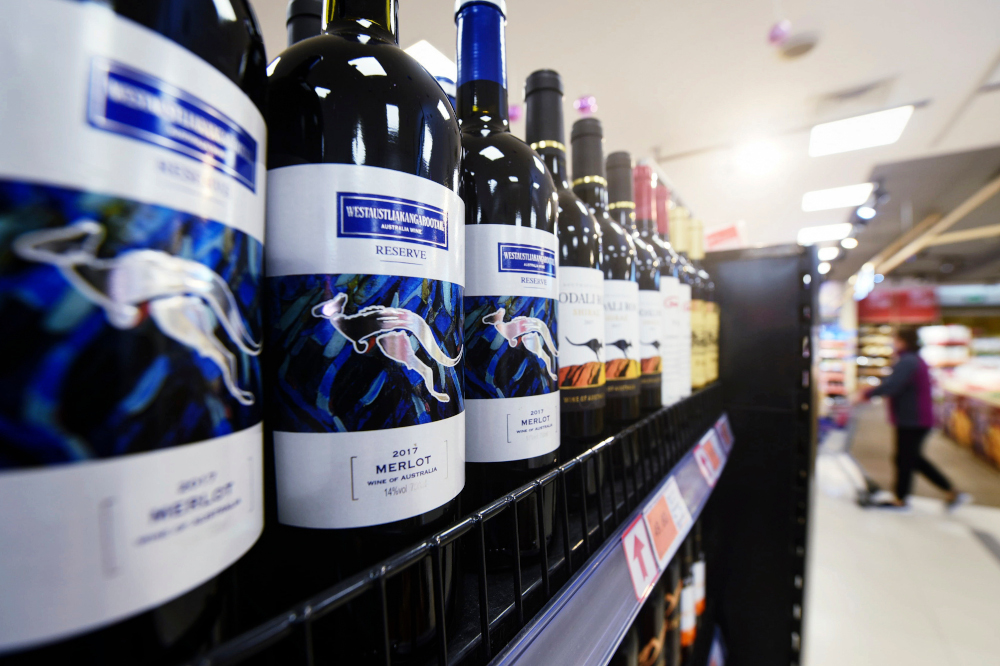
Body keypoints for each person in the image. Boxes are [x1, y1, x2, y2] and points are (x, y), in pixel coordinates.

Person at [862, 326, 971, 511]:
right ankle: (949, 491)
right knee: (909, 458)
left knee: (906, 459)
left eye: (895, 340)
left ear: (903, 341)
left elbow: (893, 385)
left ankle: (902, 499)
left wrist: (866, 394)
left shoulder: (908, 361)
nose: (893, 344)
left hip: (913, 419)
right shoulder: (914, 359)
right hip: (915, 418)